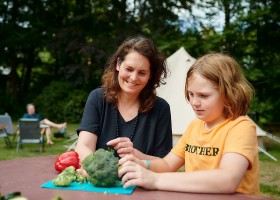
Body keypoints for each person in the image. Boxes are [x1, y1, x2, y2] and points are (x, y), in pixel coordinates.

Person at [118, 53, 260, 195]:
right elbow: (167, 164)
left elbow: (228, 179)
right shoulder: (195, 126)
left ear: (229, 94)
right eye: (190, 94)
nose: (194, 102)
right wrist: (141, 162)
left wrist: (155, 179)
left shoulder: (241, 127)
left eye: (203, 96)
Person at [75, 36, 173, 168]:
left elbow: (165, 163)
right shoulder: (97, 98)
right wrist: (101, 171)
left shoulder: (161, 108)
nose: (133, 78)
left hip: (141, 186)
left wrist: (135, 155)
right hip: (98, 186)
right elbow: (83, 146)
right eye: (129, 69)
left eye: (142, 73)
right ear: (118, 64)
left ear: (150, 76)